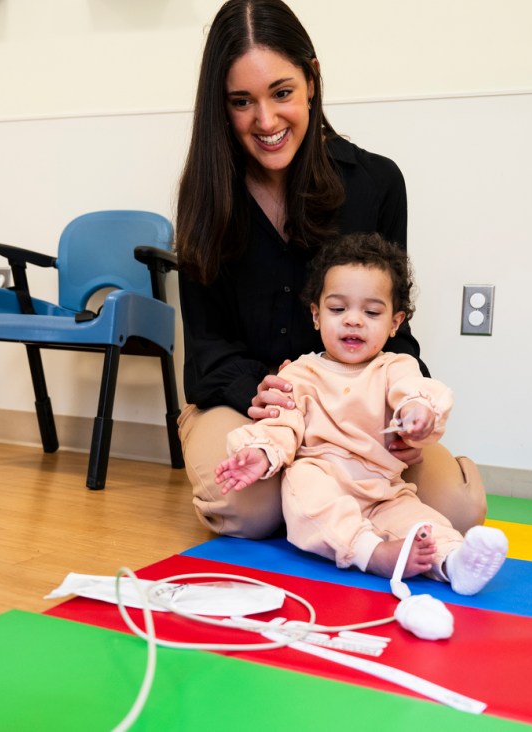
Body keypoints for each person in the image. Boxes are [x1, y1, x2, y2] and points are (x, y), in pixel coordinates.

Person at [175, 0, 487, 539]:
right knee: (248, 510)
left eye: (282, 92)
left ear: (312, 79)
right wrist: (261, 393)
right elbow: (206, 350)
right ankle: (311, 489)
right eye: (241, 102)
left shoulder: (377, 182)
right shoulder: (206, 197)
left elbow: (396, 332)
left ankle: (329, 490)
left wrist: (407, 413)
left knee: (456, 513)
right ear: (221, 108)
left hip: (355, 413)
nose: (266, 121)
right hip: (250, 407)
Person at [215, 234, 508, 593]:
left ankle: (454, 563)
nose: (353, 321)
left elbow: (413, 394)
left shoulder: (395, 366)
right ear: (316, 315)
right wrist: (261, 453)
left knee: (423, 522)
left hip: (384, 488)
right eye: (338, 310)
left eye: (371, 313)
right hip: (324, 476)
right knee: (307, 495)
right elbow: (282, 423)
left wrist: (419, 413)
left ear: (395, 322)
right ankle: (372, 553)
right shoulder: (300, 372)